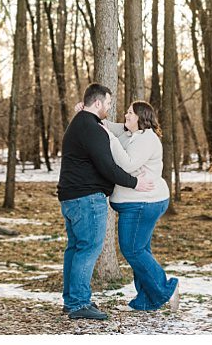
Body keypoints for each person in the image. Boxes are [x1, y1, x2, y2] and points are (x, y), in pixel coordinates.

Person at [57, 82, 153, 321]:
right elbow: (108, 167)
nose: (110, 108)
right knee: (88, 249)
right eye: (108, 103)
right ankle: (79, 303)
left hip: (71, 198)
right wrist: (134, 182)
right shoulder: (90, 128)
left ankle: (71, 301)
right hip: (86, 199)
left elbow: (118, 131)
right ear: (98, 103)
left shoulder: (81, 123)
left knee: (75, 249)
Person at [102, 101, 180, 312]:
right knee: (141, 249)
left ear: (141, 117)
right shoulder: (130, 133)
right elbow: (109, 125)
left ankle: (166, 289)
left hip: (144, 203)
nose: (126, 116)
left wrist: (110, 139)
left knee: (133, 250)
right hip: (137, 203)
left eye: (130, 113)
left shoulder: (147, 139)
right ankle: (145, 300)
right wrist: (87, 111)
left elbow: (127, 164)